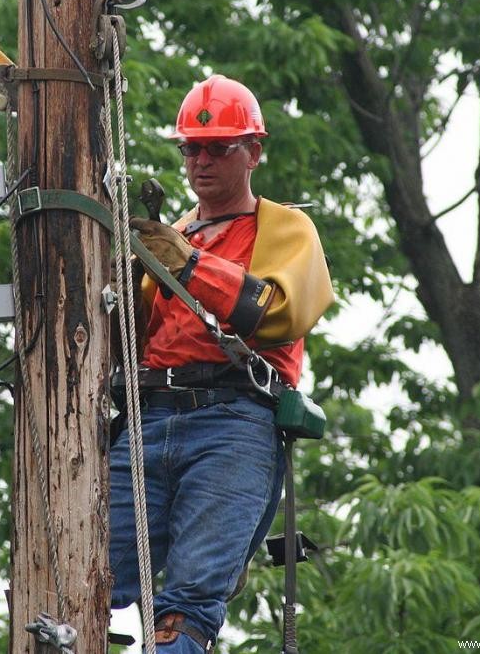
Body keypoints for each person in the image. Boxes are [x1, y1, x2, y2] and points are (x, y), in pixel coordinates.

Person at [109, 74, 334, 652]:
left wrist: (188, 266)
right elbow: (128, 339)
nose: (201, 161)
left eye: (219, 148)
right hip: (148, 420)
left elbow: (280, 312)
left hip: (233, 422)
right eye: (192, 149)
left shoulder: (283, 228)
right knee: (81, 583)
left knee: (188, 607)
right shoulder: (171, 236)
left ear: (253, 152)